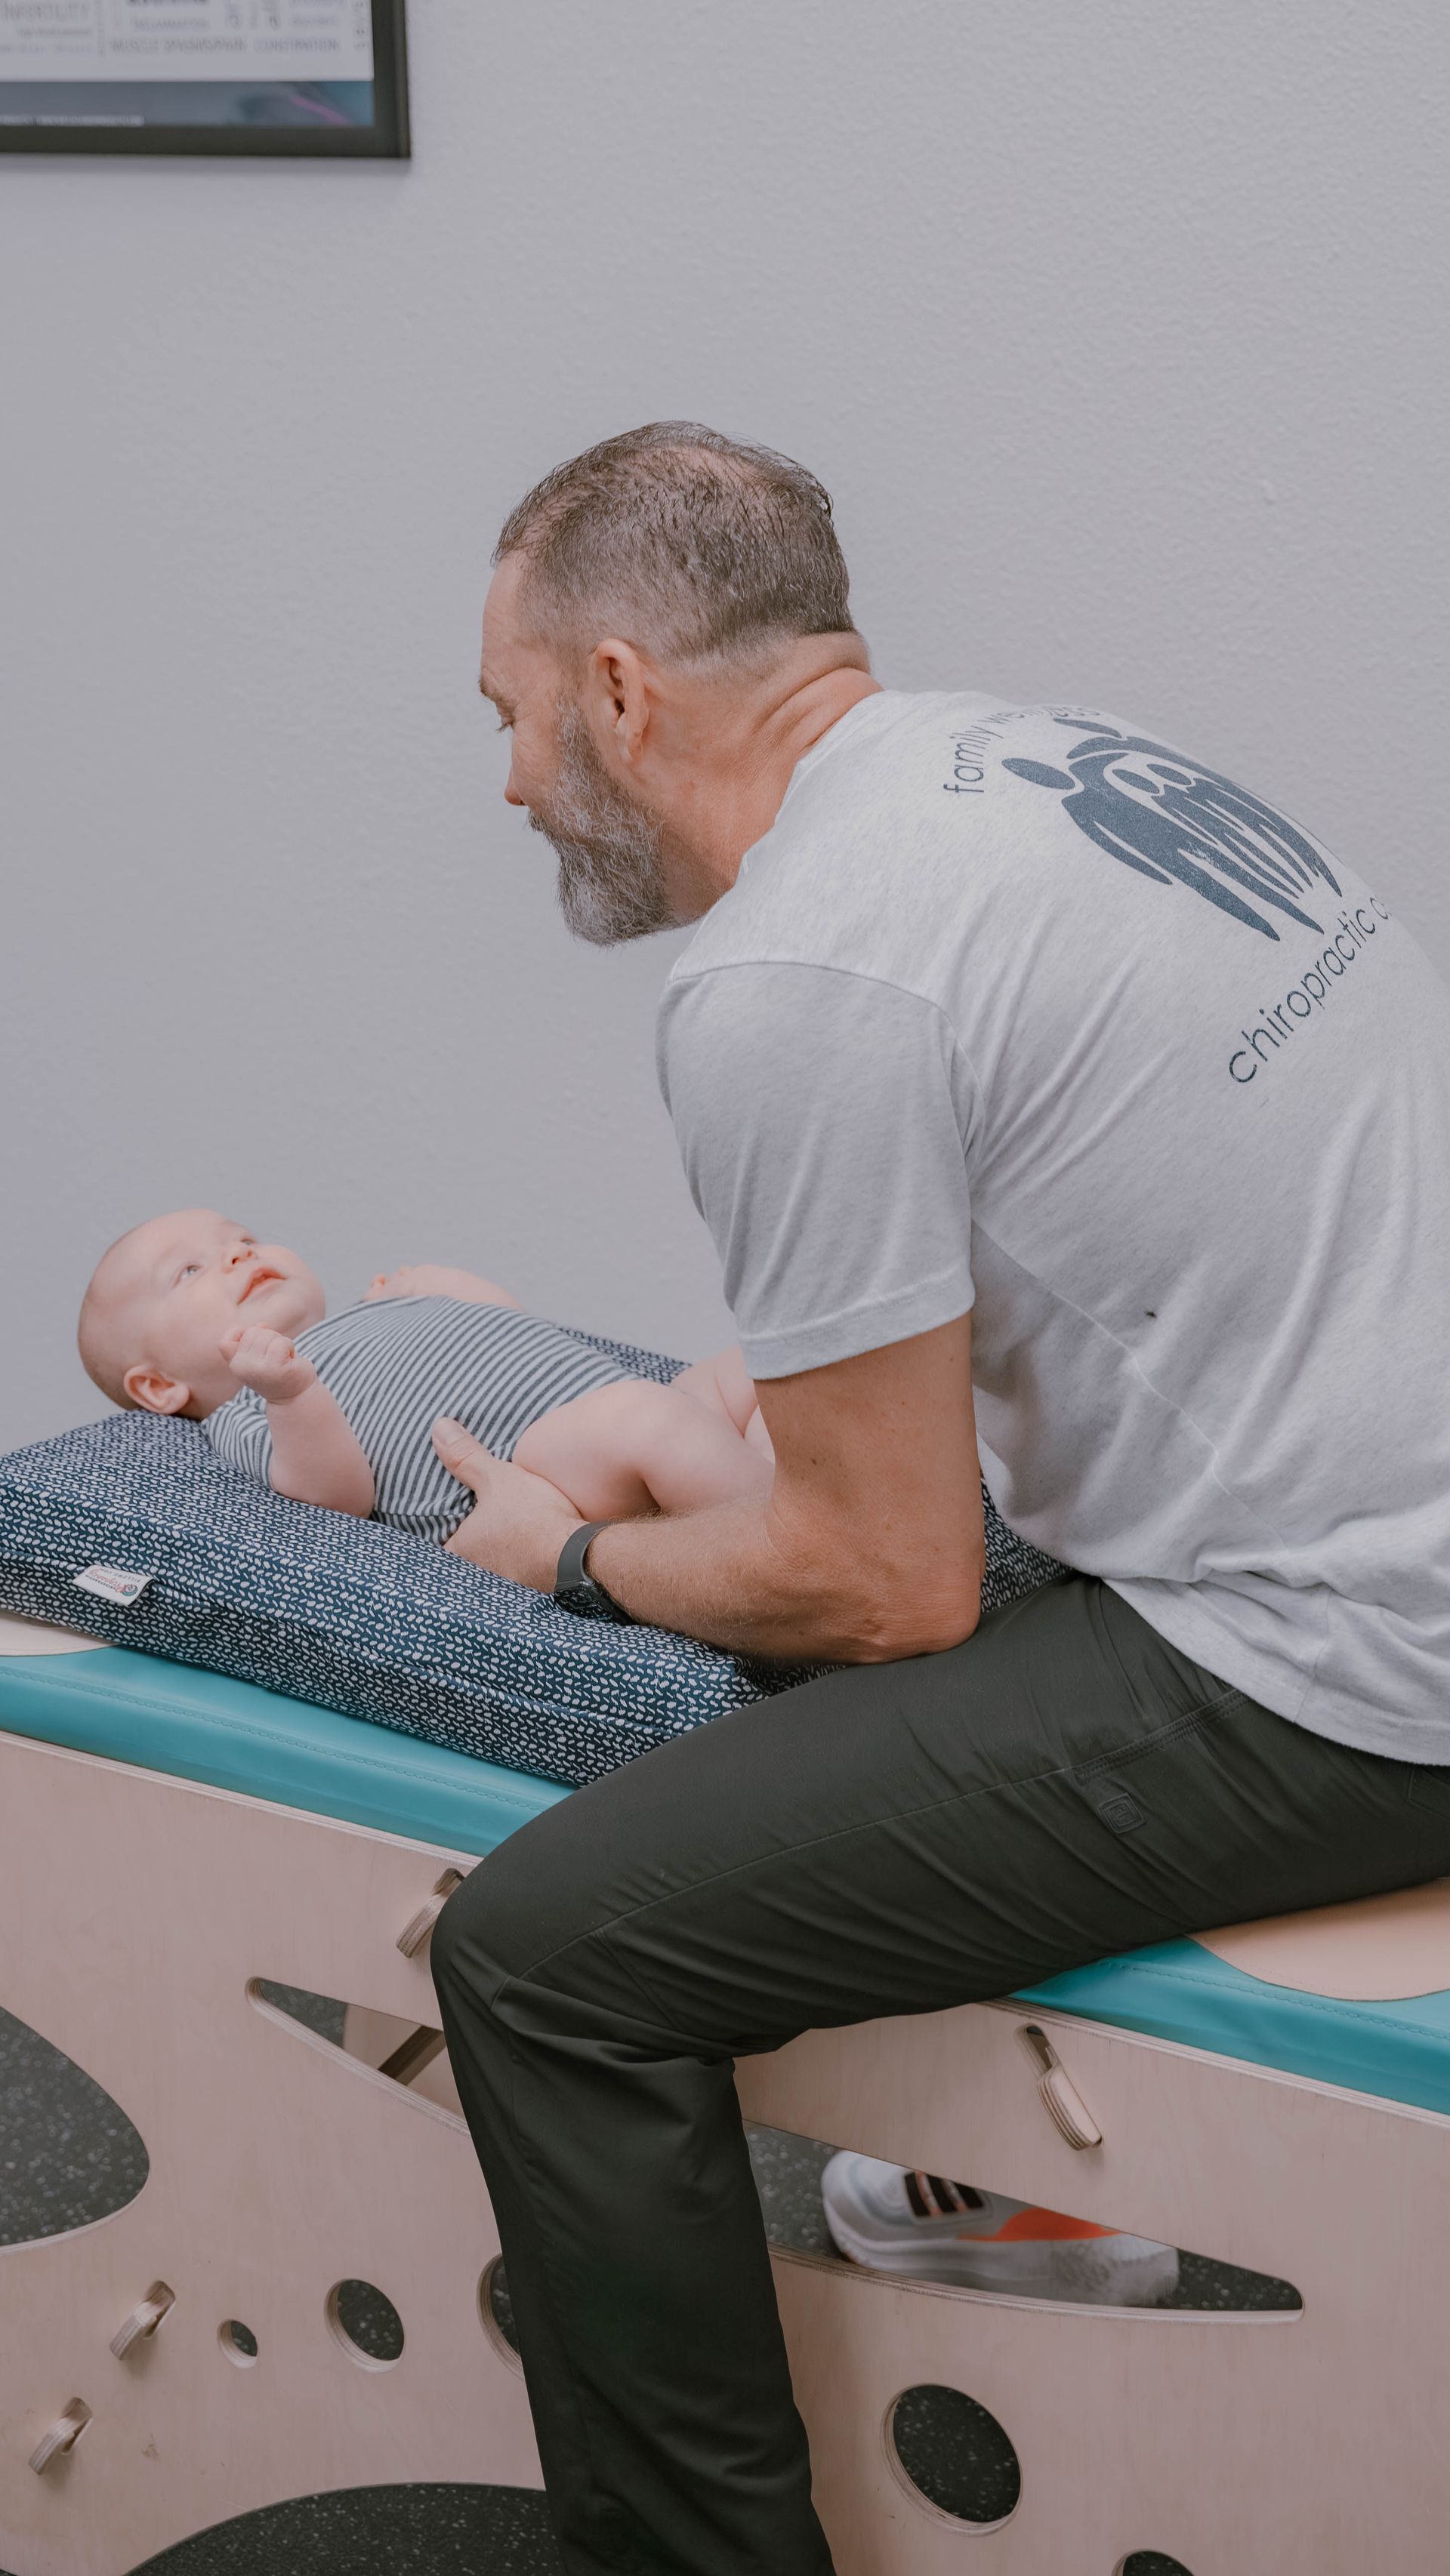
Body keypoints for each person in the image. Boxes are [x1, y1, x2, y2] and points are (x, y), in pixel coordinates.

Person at [419, 422, 1450, 2576]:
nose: (511, 782)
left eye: (509, 715)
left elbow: (890, 1585)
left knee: (539, 1954)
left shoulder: (798, 973)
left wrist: (582, 1553)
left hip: (1362, 1658)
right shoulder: (1048, 761)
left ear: (618, 689)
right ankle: (994, 2181)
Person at [76, 1209, 771, 1539]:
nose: (236, 1254)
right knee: (652, 1421)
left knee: (762, 1366)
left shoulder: (367, 1313)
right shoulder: (249, 1412)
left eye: (243, 1239)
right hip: (538, 1468)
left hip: (601, 1396)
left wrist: (447, 1287)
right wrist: (291, 1392)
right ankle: (792, 1542)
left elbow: (518, 1328)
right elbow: (334, 1496)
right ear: (161, 1388)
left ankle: (788, 1487)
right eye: (191, 1271)